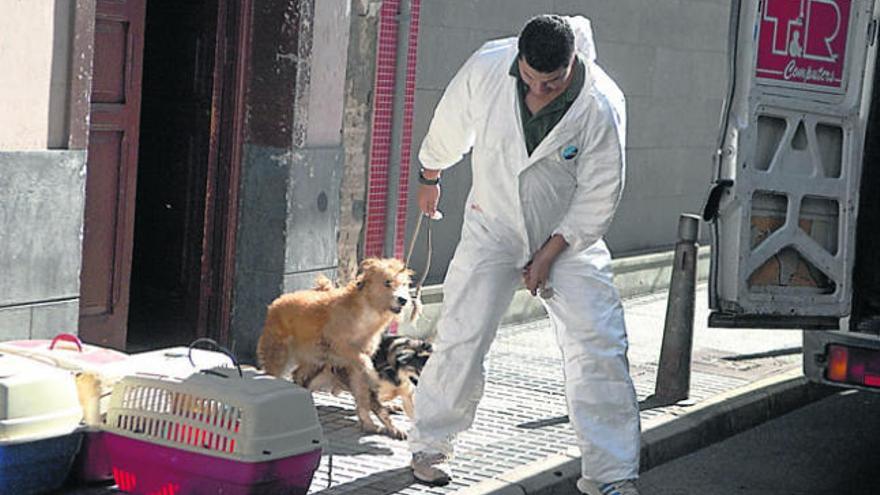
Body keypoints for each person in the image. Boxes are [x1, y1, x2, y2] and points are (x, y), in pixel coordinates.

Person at [408, 14, 641, 495]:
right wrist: (430, 174)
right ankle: (430, 443)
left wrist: (550, 252)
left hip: (569, 237)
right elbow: (451, 121)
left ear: (572, 62)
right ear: (519, 59)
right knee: (462, 331)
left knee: (599, 346)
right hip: (492, 222)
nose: (538, 91)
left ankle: (611, 476)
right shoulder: (490, 65)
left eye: (551, 84)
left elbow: (600, 194)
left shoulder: (602, 104)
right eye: (530, 80)